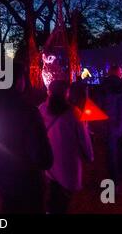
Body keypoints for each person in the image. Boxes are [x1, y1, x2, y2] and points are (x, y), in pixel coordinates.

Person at [0, 61, 53, 213]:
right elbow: (43, 157)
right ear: (18, 80)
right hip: (27, 183)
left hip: (2, 179)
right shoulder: (27, 110)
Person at [39, 80, 94, 214]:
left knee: (52, 197)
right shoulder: (73, 113)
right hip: (67, 166)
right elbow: (84, 138)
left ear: (49, 92)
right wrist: (89, 156)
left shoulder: (41, 109)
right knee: (62, 202)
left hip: (49, 163)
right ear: (66, 93)